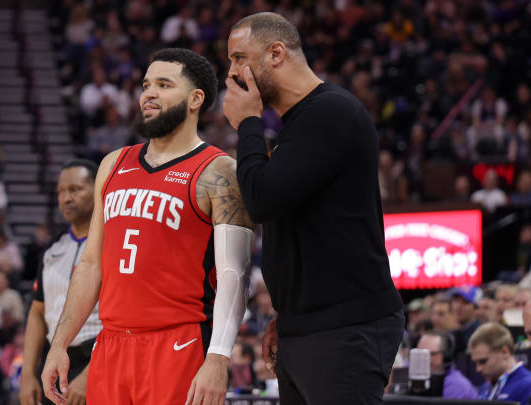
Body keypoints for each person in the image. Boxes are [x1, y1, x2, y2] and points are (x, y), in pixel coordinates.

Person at [41, 48, 254, 405]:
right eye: (145, 85)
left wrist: (218, 358)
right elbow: (91, 264)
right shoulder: (113, 164)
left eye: (164, 84)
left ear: (195, 99)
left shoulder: (219, 171)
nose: (148, 93)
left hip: (178, 344)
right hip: (110, 345)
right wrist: (59, 344)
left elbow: (236, 274)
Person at [222, 12, 404, 404]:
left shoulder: (331, 113)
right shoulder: (302, 122)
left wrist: (248, 125)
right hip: (310, 326)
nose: (232, 73)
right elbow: (301, 224)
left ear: (276, 53)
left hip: (346, 327)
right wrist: (289, 316)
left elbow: (262, 201)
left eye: (239, 58)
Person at [20, 160, 102, 405]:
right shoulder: (52, 248)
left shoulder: (114, 245)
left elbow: (125, 316)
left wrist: (91, 374)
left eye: (75, 189)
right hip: (55, 360)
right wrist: (27, 375)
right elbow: (37, 312)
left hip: (97, 357)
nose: (66, 198)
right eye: (61, 192)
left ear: (97, 189)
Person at [470, 322, 531, 403]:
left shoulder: (527, 385)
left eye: (483, 361)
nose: (478, 369)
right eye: (476, 362)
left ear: (504, 352)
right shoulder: (485, 387)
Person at [414, 332, 477, 399]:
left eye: (429, 354)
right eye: (418, 354)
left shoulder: (456, 386)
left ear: (446, 357)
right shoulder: (417, 378)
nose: (421, 359)